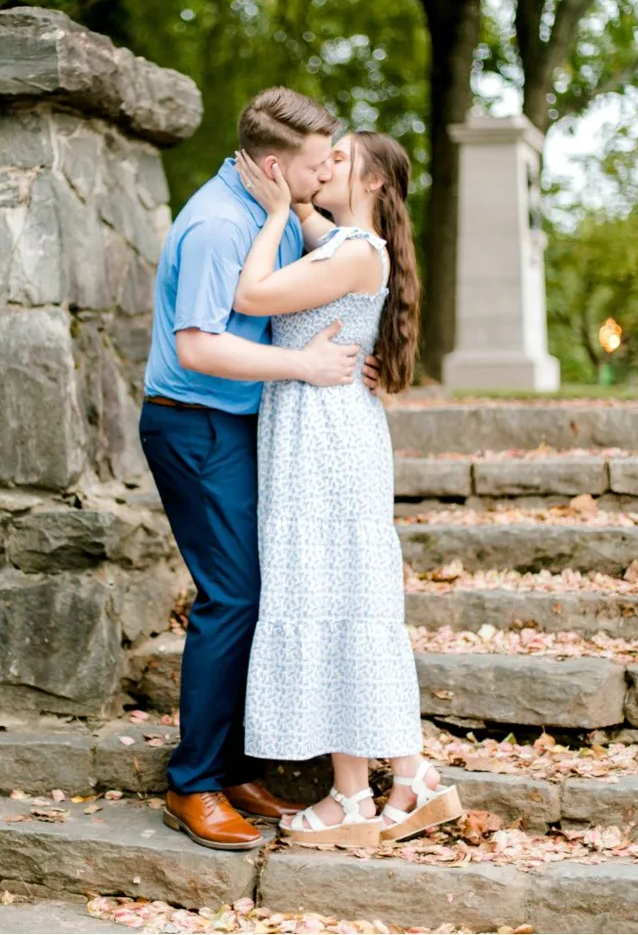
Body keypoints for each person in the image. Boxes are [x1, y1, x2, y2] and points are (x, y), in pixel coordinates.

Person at [137, 89, 362, 855]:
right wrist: (302, 365)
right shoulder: (214, 224)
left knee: (259, 591)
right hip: (193, 423)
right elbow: (198, 347)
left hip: (240, 423)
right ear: (274, 166)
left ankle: (231, 768)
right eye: (316, 160)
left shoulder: (269, 210)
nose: (329, 166)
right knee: (231, 595)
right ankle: (191, 784)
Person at [235, 132, 458, 850]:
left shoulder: (359, 251)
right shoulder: (340, 242)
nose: (324, 166)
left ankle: (381, 784)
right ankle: (367, 786)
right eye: (321, 156)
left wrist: (272, 214)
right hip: (310, 428)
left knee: (340, 599)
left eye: (339, 158)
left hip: (326, 437)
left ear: (374, 183)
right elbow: (313, 224)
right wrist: (290, 196)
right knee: (327, 598)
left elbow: (253, 293)